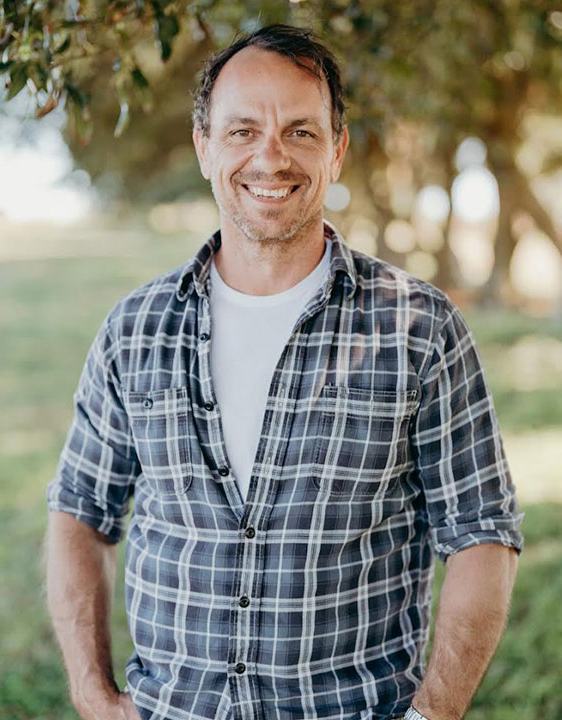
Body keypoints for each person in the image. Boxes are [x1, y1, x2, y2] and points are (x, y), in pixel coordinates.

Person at [45, 24, 523, 720]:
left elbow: (482, 531)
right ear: (203, 145)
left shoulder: (420, 327)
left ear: (338, 150)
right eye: (242, 131)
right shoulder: (134, 328)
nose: (271, 157)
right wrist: (94, 697)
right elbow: (80, 513)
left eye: (300, 131)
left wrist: (429, 716)